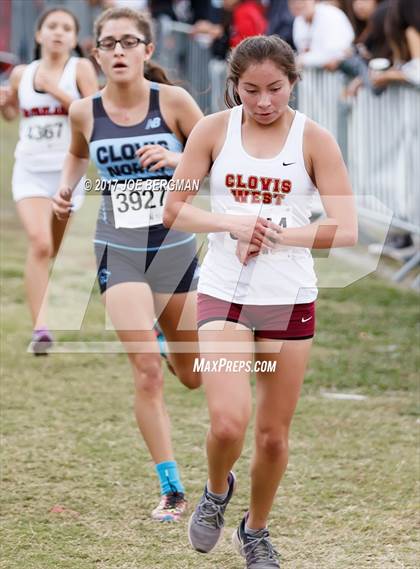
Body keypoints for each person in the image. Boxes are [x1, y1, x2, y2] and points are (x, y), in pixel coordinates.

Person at [164, 35, 357, 567]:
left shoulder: (314, 140)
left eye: (275, 88)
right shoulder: (212, 130)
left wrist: (276, 234)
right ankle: (215, 490)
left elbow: (346, 230)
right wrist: (231, 222)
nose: (265, 101)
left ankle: (256, 529)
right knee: (228, 422)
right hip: (224, 292)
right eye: (251, 90)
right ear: (235, 86)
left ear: (293, 83)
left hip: (288, 296)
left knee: (272, 438)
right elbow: (174, 209)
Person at [52, 7, 203, 523]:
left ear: (147, 51)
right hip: (117, 247)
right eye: (108, 43)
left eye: (128, 42)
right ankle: (172, 488)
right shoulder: (83, 111)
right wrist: (66, 186)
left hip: (174, 245)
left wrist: (178, 161)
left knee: (191, 376)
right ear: (95, 53)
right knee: (145, 372)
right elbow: (76, 152)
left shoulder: (174, 103)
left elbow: (220, 158)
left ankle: (169, 344)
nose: (118, 51)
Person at [0, 7, 98, 355]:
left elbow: (94, 113)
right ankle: (41, 330)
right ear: (39, 35)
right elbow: (14, 113)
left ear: (74, 38)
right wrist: (5, 105)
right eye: (52, 27)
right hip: (29, 170)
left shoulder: (80, 69)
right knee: (40, 245)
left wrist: (55, 90)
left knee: (52, 249)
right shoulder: (21, 74)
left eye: (66, 28)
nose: (58, 33)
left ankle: (46, 291)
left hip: (67, 174)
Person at [289, 0, 355, 69]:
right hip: (315, 75)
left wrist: (304, 59)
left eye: (302, 1)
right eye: (293, 2)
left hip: (346, 72)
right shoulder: (298, 20)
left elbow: (332, 57)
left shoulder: (330, 14)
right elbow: (303, 51)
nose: (297, 4)